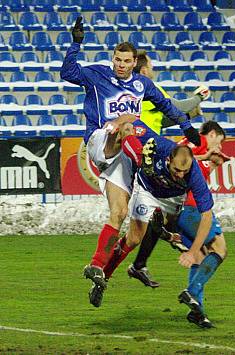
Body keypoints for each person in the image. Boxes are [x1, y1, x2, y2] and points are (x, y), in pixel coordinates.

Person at [60, 16, 201, 297]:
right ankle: (147, 166)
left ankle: (99, 270)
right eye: (117, 60)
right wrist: (76, 43)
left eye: (126, 61)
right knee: (128, 122)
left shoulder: (142, 84)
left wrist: (187, 126)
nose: (121, 65)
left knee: (128, 223)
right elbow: (68, 72)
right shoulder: (98, 74)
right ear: (112, 59)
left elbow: (166, 106)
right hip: (103, 141)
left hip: (125, 158)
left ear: (134, 62)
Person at [91, 121, 221, 328]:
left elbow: (206, 215)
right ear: (168, 159)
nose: (180, 174)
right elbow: (126, 127)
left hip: (174, 201)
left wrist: (192, 251)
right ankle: (103, 277)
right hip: (147, 192)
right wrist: (138, 154)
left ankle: (162, 235)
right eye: (177, 170)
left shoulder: (193, 174)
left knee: (199, 245)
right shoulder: (157, 145)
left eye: (184, 172)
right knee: (134, 238)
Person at [126, 121, 229, 328]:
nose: (218, 147)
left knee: (199, 256)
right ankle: (192, 291)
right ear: (210, 134)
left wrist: (210, 160)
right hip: (189, 207)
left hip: (175, 210)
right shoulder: (197, 143)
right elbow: (191, 167)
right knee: (219, 248)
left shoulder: (182, 148)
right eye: (218, 141)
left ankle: (197, 312)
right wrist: (209, 158)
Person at [133, 51, 211, 135]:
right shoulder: (149, 89)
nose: (152, 67)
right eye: (150, 64)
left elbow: (159, 122)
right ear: (144, 71)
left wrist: (188, 116)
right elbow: (180, 107)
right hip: (145, 140)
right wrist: (201, 96)